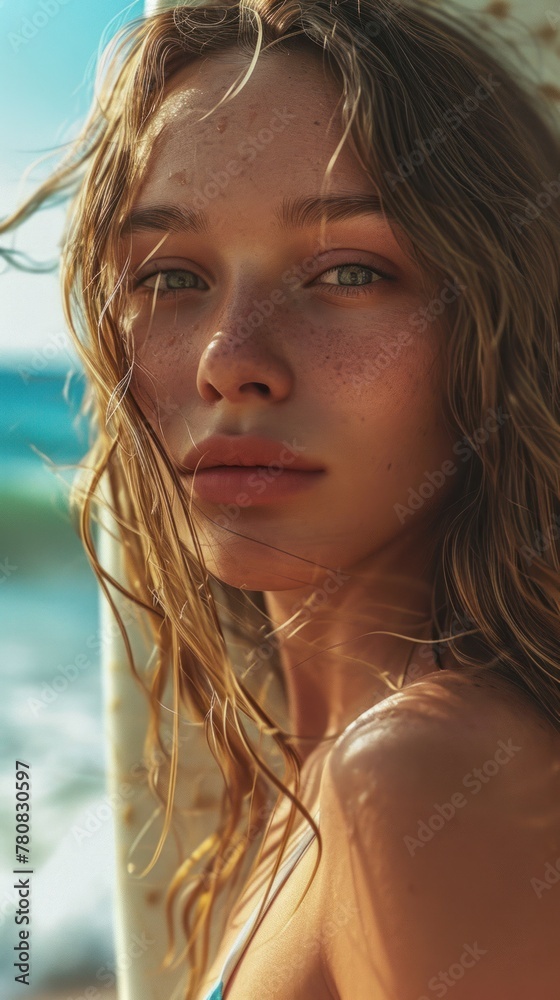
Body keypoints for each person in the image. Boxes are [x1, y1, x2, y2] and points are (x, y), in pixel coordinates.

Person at [3, 0, 560, 996]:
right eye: (171, 277)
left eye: (348, 270)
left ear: (492, 332)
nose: (228, 359)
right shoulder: (301, 792)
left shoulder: (415, 778)